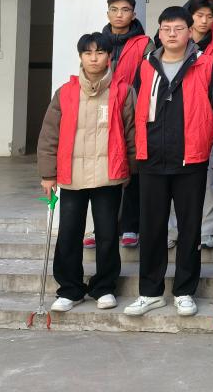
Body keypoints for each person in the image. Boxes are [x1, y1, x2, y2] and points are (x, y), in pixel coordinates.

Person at [123, 6, 213, 318]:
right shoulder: (146, 66)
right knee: (152, 228)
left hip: (190, 158)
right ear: (159, 32)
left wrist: (203, 139)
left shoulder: (205, 65)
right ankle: (150, 292)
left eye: (178, 28)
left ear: (190, 32)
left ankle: (184, 291)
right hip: (152, 158)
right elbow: (135, 108)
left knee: (189, 228)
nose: (172, 34)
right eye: (166, 29)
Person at [37, 32, 136, 312]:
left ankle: (105, 287)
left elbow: (132, 134)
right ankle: (70, 289)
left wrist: (131, 170)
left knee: (107, 234)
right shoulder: (65, 93)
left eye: (100, 53)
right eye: (88, 53)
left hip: (109, 174)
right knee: (69, 233)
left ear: (109, 57)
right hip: (72, 175)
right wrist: (48, 174)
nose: (94, 58)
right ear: (80, 57)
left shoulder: (123, 91)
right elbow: (49, 135)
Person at [167, 0, 213, 250]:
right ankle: (172, 230)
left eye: (209, 16)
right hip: (172, 130)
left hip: (205, 129)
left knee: (209, 181)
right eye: (199, 16)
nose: (204, 21)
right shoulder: (160, 57)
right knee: (172, 184)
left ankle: (208, 230)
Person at [99, 0, 152, 250]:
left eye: (125, 10)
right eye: (114, 9)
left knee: (132, 168)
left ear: (134, 13)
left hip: (132, 112)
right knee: (102, 171)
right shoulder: (97, 42)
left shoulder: (145, 43)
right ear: (107, 12)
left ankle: (131, 225)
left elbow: (149, 79)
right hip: (102, 112)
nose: (119, 15)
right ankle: (102, 227)